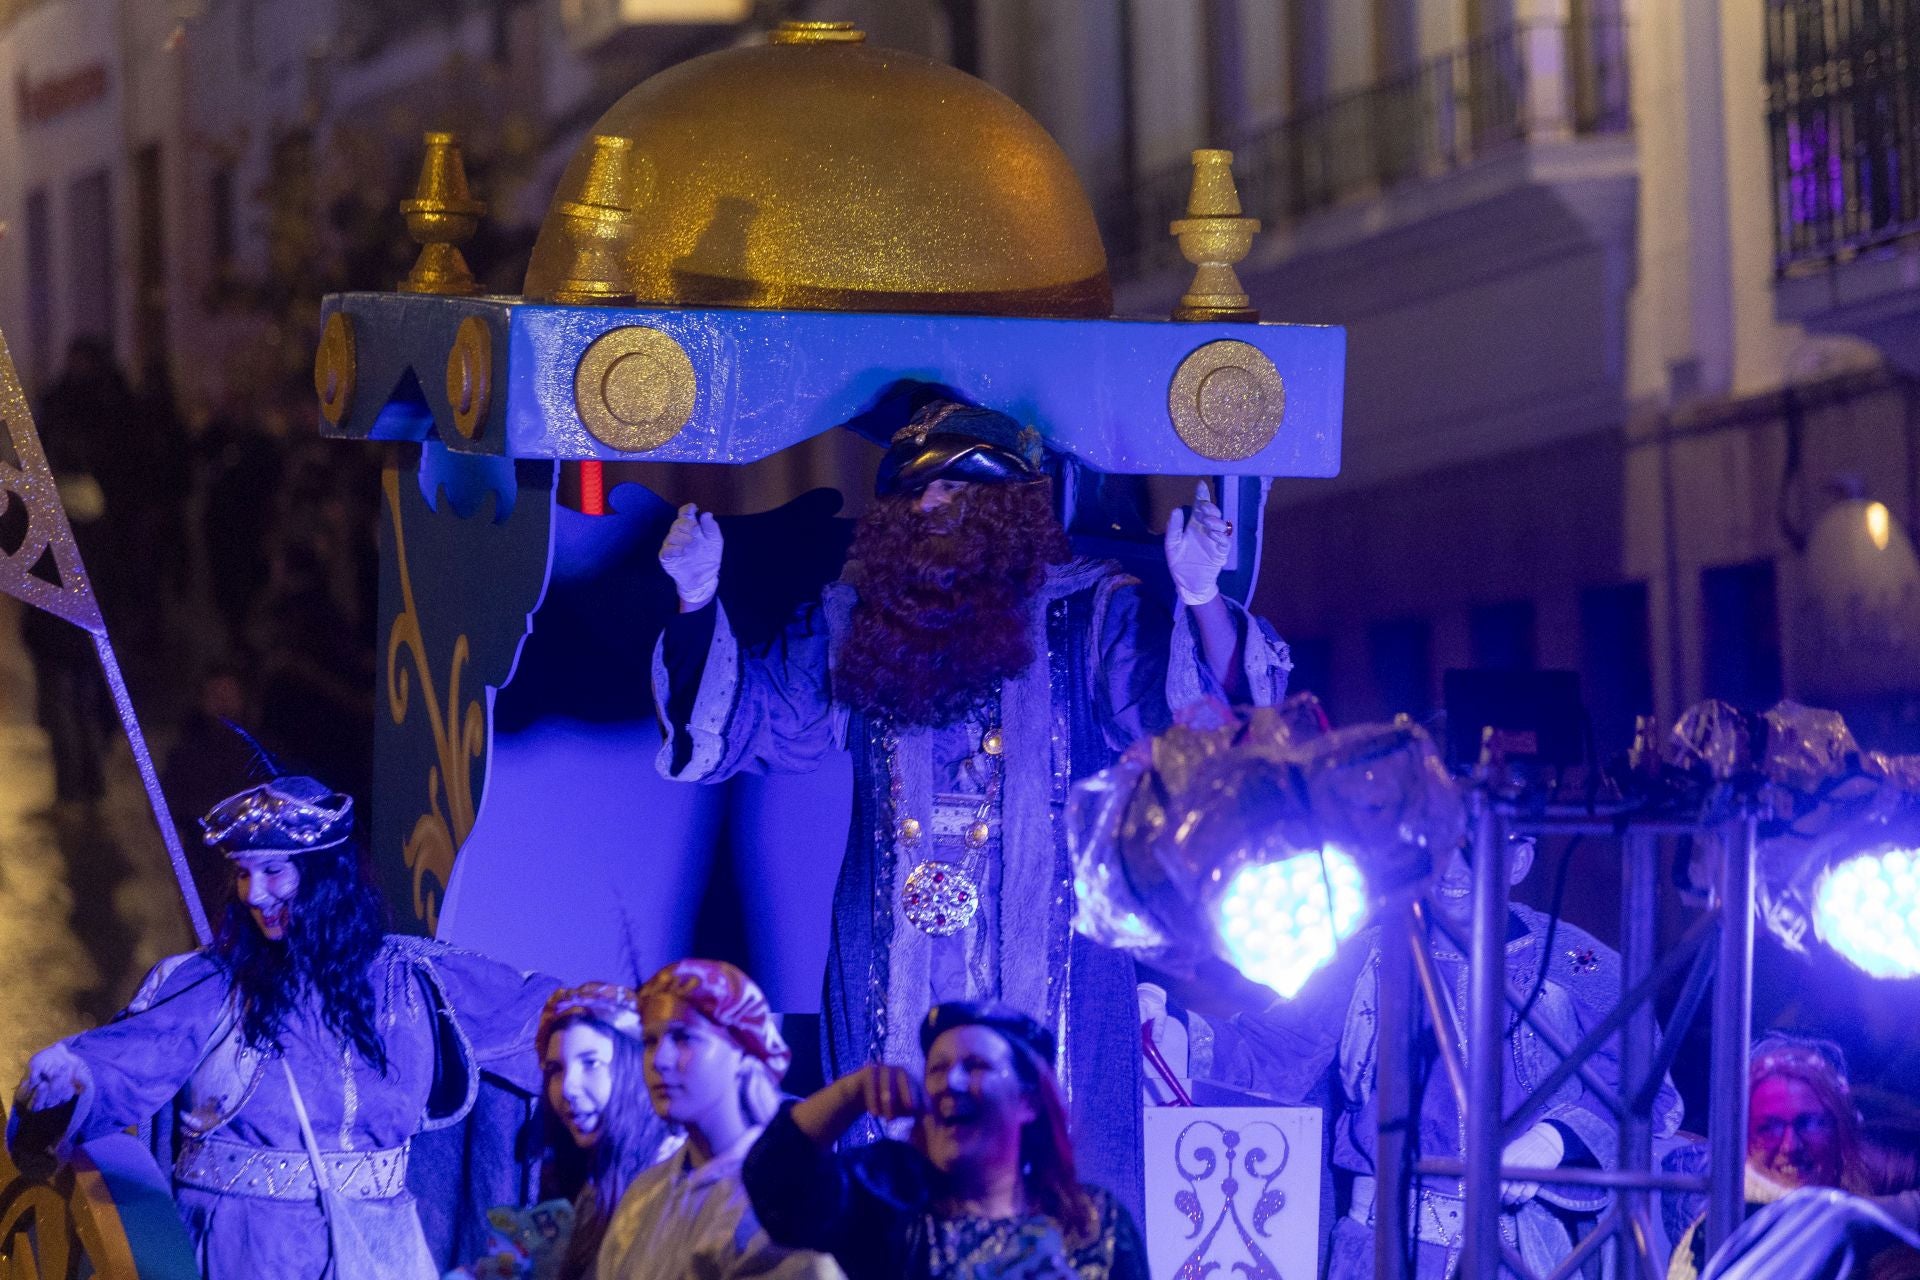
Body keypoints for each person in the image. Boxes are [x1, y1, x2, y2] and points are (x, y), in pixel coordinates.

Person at [654, 398, 1290, 1210]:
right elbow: (755, 725)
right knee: (889, 1203)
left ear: (1004, 513)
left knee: (1052, 1198)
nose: (927, 510)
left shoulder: (1083, 613)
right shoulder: (860, 620)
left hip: (1054, 964)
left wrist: (1200, 598)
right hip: (893, 964)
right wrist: (697, 599)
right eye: (913, 497)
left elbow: (1200, 736)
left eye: (951, 494)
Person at [8, 772, 559, 1280]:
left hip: (380, 1250)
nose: (254, 894)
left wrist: (611, 1022)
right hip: (251, 1248)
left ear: (324, 877)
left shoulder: (414, 979)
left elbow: (531, 1017)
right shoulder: (214, 985)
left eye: (273, 871)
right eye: (243, 875)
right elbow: (133, 1056)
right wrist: (69, 1080)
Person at [742, 1001, 1149, 1280]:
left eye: (975, 1066)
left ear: (1028, 1101)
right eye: (936, 1068)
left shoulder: (1096, 1222)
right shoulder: (892, 1199)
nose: (948, 1083)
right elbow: (775, 1181)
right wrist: (852, 1092)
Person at [594, 958, 837, 1280]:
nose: (660, 1060)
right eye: (651, 1041)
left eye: (683, 1037)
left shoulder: (785, 1195)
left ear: (744, 1049)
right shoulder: (644, 1195)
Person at [1667, 1034, 1876, 1279]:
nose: (1790, 1145)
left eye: (1810, 1122)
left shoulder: (1868, 1192)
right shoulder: (1717, 1217)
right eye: (1770, 1125)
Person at [533, 983, 675, 1280]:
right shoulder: (600, 1174)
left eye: (591, 1063)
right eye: (555, 1069)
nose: (567, 1088)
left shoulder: (673, 1182)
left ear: (638, 1069)